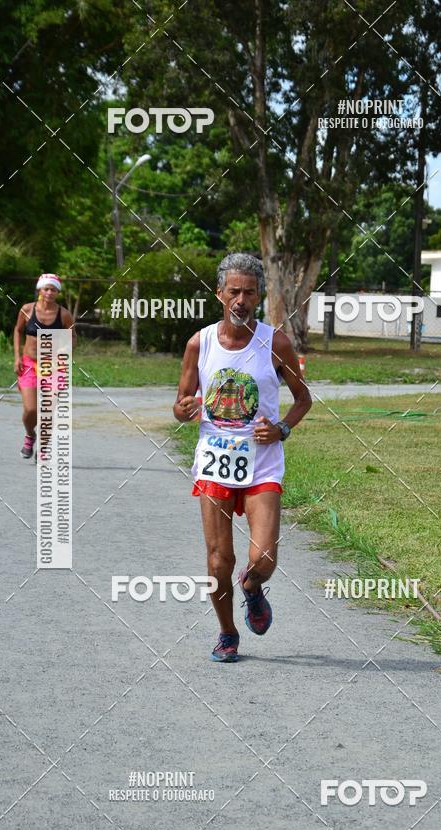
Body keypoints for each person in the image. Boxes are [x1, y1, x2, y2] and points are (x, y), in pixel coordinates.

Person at [173, 253, 312, 662]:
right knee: (219, 561)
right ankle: (228, 632)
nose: (241, 299)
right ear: (219, 294)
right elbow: (180, 403)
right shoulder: (200, 343)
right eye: (233, 291)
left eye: (249, 292)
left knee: (264, 558)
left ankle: (251, 588)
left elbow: (303, 399)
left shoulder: (276, 342)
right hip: (216, 459)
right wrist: (184, 409)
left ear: (259, 297)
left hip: (262, 462)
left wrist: (283, 428)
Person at [13, 274, 76, 460]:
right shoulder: (27, 309)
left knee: (48, 410)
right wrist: (17, 357)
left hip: (54, 366)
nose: (49, 292)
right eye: (46, 288)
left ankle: (43, 448)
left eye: (53, 289)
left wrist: (65, 348)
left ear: (57, 292)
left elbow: (73, 336)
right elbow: (18, 330)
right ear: (39, 290)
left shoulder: (63, 314)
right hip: (29, 364)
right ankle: (30, 435)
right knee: (31, 410)